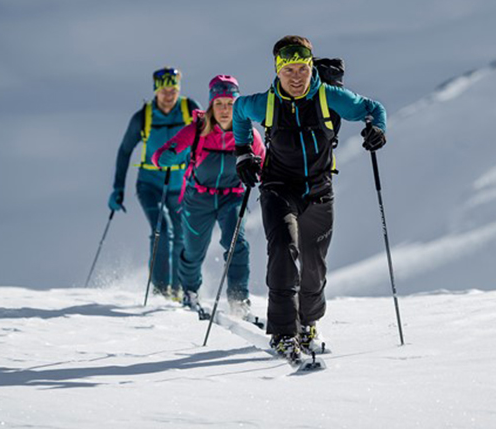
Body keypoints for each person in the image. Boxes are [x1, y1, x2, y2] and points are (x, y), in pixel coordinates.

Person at [232, 35, 387, 362]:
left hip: (318, 188)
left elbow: (373, 109)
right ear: (278, 70)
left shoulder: (330, 96)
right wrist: (243, 153)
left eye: (302, 68)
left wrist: (378, 129)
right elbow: (239, 111)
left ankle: (308, 323)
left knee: (314, 263)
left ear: (310, 66)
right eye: (289, 70)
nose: (297, 77)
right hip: (277, 185)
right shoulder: (265, 103)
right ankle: (284, 333)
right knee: (283, 249)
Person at [151, 75, 266, 317]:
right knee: (193, 250)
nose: (225, 110)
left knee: (237, 243)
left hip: (232, 197)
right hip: (198, 198)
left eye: (230, 104)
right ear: (211, 105)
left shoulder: (248, 133)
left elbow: (266, 164)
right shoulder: (197, 131)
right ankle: (190, 291)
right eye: (219, 104)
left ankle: (239, 299)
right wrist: (165, 157)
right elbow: (160, 155)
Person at [109, 67, 200, 299]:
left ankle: (178, 289)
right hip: (150, 185)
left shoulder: (190, 110)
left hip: (180, 186)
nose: (169, 95)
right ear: (155, 91)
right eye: (164, 91)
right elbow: (124, 151)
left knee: (181, 233)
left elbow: (206, 137)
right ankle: (161, 290)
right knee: (162, 229)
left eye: (173, 90)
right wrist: (117, 188)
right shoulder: (143, 117)